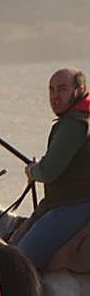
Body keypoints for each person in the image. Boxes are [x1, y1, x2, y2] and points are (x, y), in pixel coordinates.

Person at [18, 68, 90, 269]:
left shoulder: (75, 123)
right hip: (74, 202)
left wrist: (33, 171)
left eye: (62, 89)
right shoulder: (83, 117)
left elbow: (49, 171)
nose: (55, 96)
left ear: (79, 90)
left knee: (19, 262)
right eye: (51, 90)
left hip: (73, 205)